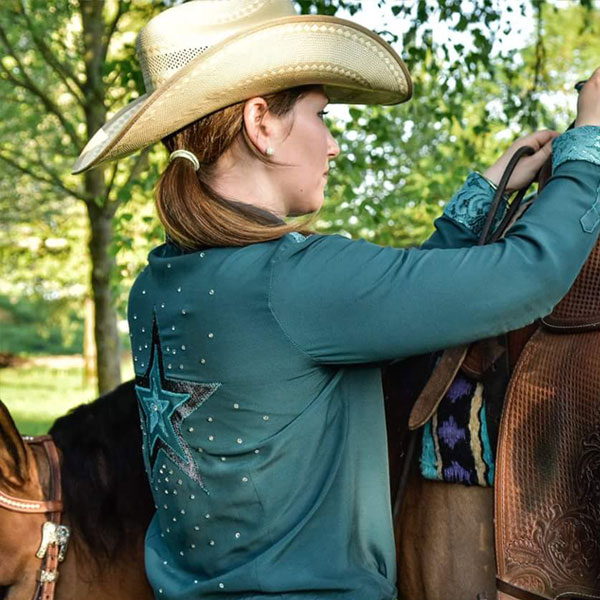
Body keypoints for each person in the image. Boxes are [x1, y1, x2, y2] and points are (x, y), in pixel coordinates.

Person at [73, 1, 600, 598]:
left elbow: (388, 302)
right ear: (261, 124)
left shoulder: (156, 287)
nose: (333, 146)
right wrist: (588, 145)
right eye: (321, 116)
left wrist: (484, 192)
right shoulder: (294, 281)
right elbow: (527, 277)